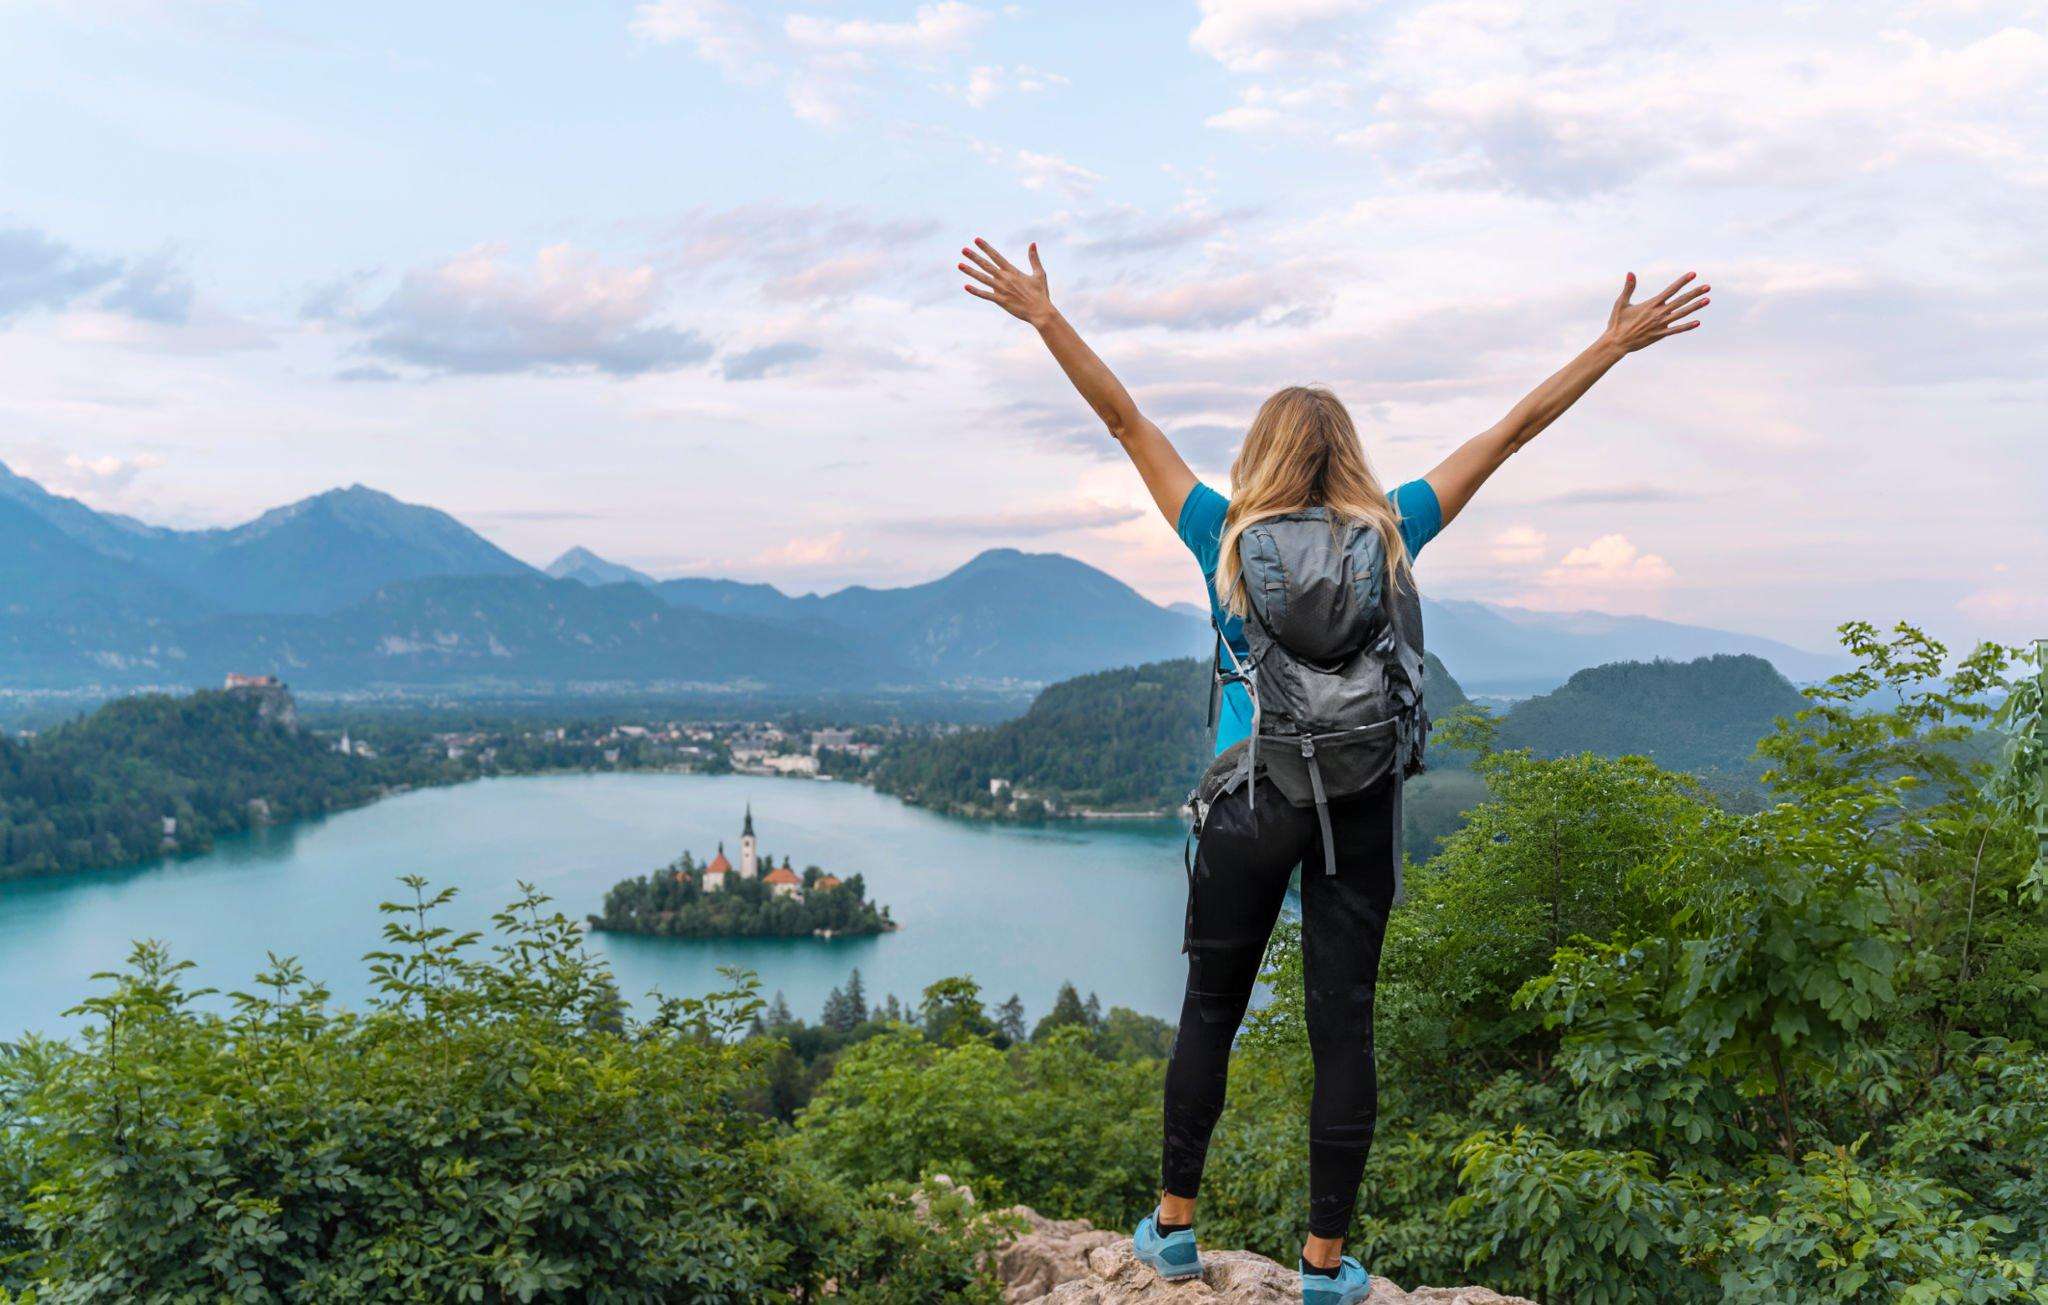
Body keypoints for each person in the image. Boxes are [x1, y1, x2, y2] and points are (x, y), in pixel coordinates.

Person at [960, 236, 1708, 1304]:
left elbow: (1124, 421)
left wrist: (1045, 318)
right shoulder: (1390, 529)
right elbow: (1508, 433)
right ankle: (1321, 1269)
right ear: (1347, 455)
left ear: (1259, 455)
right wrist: (1610, 347)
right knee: (1342, 1028)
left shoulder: (1223, 535)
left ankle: (1172, 1230)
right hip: (1356, 802)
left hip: (1248, 797)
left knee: (1208, 1011)